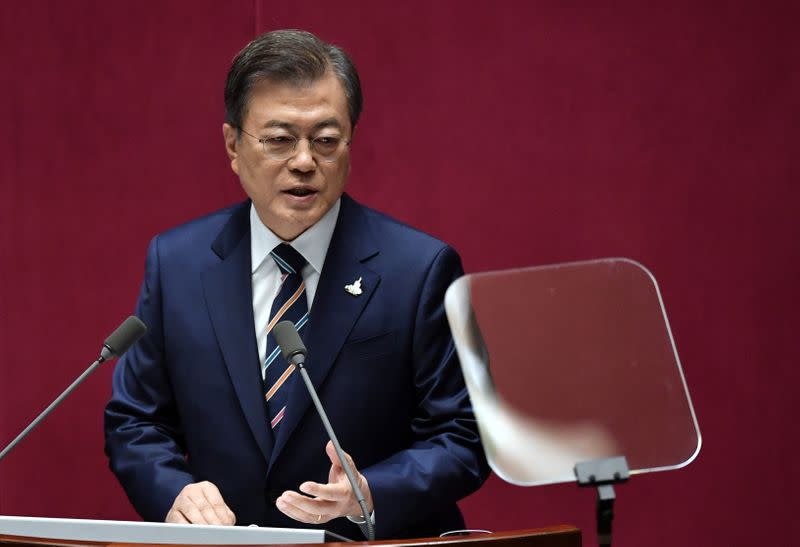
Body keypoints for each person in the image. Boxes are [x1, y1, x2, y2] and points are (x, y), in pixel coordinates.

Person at [104, 29, 489, 540]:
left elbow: (465, 436)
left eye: (326, 140)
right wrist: (175, 492)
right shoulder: (177, 264)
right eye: (280, 139)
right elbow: (136, 422)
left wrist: (372, 492)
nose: (305, 161)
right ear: (234, 146)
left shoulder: (420, 270)